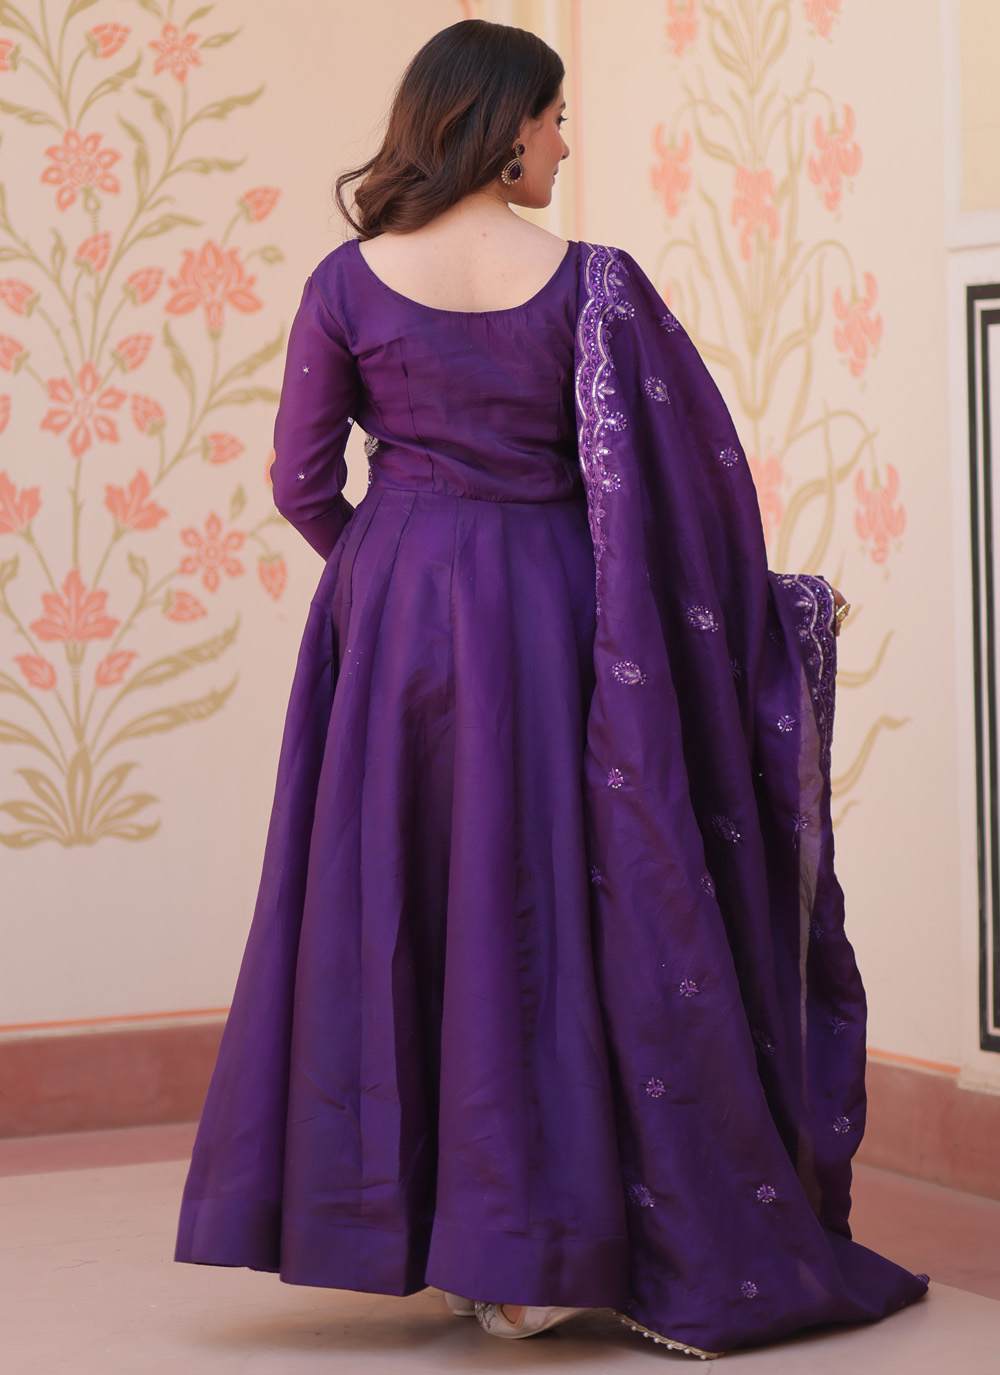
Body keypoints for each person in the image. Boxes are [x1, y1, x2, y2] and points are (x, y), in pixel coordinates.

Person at [175, 18, 928, 1359]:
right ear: (504, 122)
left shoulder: (348, 282)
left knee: (410, 900)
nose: (566, 144)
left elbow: (299, 480)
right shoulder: (594, 284)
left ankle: (445, 1237)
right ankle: (537, 1254)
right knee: (555, 908)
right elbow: (688, 482)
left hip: (396, 614)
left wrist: (386, 577)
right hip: (563, 610)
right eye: (557, 117)